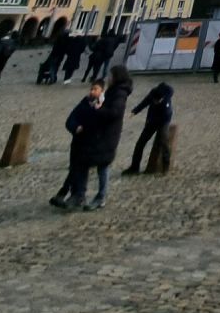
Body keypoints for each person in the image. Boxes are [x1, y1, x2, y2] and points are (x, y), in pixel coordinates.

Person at [66, 64, 133, 210]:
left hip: (107, 137)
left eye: (110, 76)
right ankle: (79, 195)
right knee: (86, 162)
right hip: (100, 135)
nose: (108, 78)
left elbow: (114, 113)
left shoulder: (119, 94)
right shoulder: (113, 92)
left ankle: (100, 197)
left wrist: (99, 109)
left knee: (102, 166)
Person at [50, 80, 104, 208]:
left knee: (81, 168)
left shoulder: (102, 106)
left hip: (91, 143)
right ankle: (70, 194)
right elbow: (71, 119)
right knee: (74, 167)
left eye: (95, 89)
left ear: (102, 91)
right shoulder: (84, 103)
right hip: (78, 142)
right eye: (91, 89)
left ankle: (77, 195)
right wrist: (76, 127)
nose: (92, 91)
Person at [124, 80, 174, 174]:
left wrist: (161, 128)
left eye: (156, 101)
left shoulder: (166, 102)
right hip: (152, 120)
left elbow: (167, 116)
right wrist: (134, 111)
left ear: (162, 98)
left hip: (164, 121)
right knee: (140, 143)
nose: (155, 102)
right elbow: (144, 102)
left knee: (164, 142)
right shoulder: (152, 94)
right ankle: (134, 167)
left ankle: (165, 166)